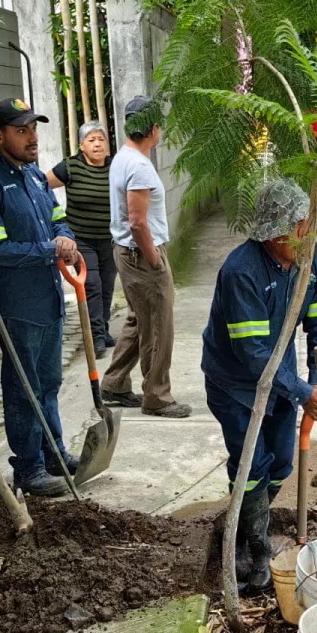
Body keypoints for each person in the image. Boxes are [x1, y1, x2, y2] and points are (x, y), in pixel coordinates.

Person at [202, 179, 317, 594]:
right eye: (302, 227)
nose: (309, 234)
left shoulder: (312, 259)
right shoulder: (240, 272)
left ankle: (245, 523)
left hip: (281, 379)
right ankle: (255, 548)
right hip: (235, 384)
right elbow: (253, 354)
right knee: (252, 465)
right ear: (278, 233)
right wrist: (302, 392)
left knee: (280, 461)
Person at [0, 98, 81, 498]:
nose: (32, 137)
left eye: (34, 129)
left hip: (48, 297)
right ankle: (28, 468)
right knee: (24, 387)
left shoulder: (33, 175)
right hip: (17, 305)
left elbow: (57, 219)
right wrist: (51, 249)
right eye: (22, 130)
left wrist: (67, 238)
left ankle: (54, 453)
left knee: (48, 381)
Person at [101, 95, 191, 417]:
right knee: (157, 325)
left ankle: (113, 383)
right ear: (153, 128)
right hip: (140, 254)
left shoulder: (123, 157)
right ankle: (157, 396)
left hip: (127, 253)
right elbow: (138, 222)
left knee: (139, 320)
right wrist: (154, 258)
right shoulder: (138, 166)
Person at [46, 122, 117, 359]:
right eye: (91, 140)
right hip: (82, 240)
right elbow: (41, 186)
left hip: (110, 239)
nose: (97, 144)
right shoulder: (71, 167)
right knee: (92, 284)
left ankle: (103, 328)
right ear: (81, 146)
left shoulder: (115, 166)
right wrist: (55, 222)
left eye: (101, 139)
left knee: (107, 285)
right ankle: (96, 337)